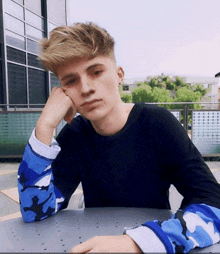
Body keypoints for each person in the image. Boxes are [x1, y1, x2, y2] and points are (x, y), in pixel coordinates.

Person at [18, 22, 220, 253]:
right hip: (92, 240)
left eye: (96, 72)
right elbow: (36, 210)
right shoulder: (75, 134)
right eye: (71, 81)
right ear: (62, 91)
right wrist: (44, 127)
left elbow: (213, 204)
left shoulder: (157, 124)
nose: (85, 88)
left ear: (119, 75)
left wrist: (137, 242)